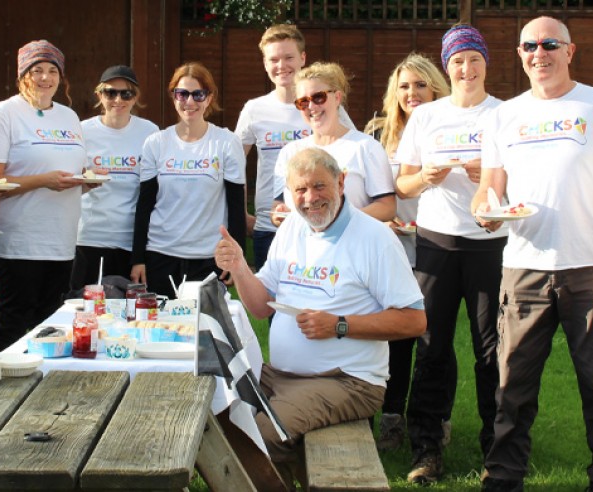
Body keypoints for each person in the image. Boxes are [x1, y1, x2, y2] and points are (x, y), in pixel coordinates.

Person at [471, 16, 593, 492]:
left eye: (549, 44)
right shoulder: (503, 116)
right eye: (529, 46)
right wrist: (486, 213)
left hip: (592, 266)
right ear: (519, 55)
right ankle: (503, 479)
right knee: (512, 387)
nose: (539, 53)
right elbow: (489, 189)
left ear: (570, 51)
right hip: (524, 266)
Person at [214, 147, 426, 487]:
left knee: (261, 436)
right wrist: (239, 266)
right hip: (281, 375)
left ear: (341, 182)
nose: (310, 198)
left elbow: (414, 320)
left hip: (347, 380)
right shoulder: (291, 228)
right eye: (300, 189)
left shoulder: (375, 238)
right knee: (221, 413)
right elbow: (261, 306)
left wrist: (340, 325)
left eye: (319, 186)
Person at [394, 26, 506, 483]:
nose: (466, 68)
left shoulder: (505, 114)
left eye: (474, 58)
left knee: (492, 351)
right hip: (436, 243)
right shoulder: (426, 117)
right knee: (431, 346)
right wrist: (426, 178)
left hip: (490, 245)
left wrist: (492, 177)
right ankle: (426, 448)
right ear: (447, 67)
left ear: (486, 63)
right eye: (458, 60)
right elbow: (403, 184)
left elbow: (524, 182)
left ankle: (497, 451)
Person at [0, 40, 95, 352]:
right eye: (37, 70)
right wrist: (43, 181)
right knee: (14, 323)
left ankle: (45, 380)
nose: (46, 77)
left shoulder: (69, 117)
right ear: (22, 76)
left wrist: (86, 180)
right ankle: (2, 380)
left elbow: (73, 170)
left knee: (53, 325)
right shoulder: (4, 114)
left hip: (61, 238)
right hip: (20, 240)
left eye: (52, 71)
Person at [363, 51, 449, 456]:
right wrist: (381, 222)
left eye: (420, 85)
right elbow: (371, 192)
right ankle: (392, 417)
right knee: (394, 339)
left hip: (437, 247)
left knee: (434, 340)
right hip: (392, 249)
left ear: (436, 89)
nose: (412, 93)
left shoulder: (448, 127)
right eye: (404, 86)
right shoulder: (379, 134)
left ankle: (435, 419)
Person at [235, 24, 354, 269]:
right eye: (273, 59)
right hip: (271, 226)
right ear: (265, 64)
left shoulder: (326, 106)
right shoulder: (254, 109)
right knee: (267, 294)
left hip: (321, 225)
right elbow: (235, 164)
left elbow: (350, 155)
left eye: (288, 57)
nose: (282, 66)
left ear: (302, 58)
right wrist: (242, 214)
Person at [130, 62, 246, 297]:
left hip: (209, 258)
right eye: (182, 94)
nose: (189, 101)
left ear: (209, 98)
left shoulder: (226, 142)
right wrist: (138, 259)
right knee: (160, 320)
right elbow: (145, 205)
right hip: (160, 255)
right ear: (173, 96)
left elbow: (235, 207)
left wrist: (236, 259)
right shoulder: (156, 143)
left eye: (198, 94)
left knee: (206, 321)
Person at [272, 62, 396, 225]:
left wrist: (337, 222)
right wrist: (278, 215)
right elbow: (278, 205)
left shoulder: (365, 147)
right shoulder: (289, 152)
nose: (311, 106)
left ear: (337, 97)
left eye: (318, 97)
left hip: (351, 239)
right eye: (303, 102)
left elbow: (387, 207)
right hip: (301, 240)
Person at [71, 65, 158, 289]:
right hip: (88, 236)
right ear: (99, 95)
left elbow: (153, 192)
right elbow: (69, 178)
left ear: (136, 97)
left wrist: (142, 251)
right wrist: (83, 178)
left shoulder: (150, 132)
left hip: (130, 240)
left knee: (127, 306)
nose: (118, 100)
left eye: (126, 93)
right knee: (84, 304)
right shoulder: (81, 131)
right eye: (110, 93)